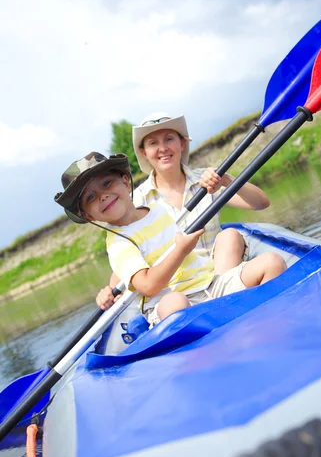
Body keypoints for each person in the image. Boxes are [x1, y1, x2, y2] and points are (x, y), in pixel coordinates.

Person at [54, 152, 286, 326]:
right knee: (175, 302)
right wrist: (180, 251)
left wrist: (221, 181)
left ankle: (263, 320)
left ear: (125, 182)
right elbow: (147, 285)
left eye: (107, 184)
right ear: (87, 215)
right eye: (91, 197)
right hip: (170, 303)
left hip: (210, 286)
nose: (103, 196)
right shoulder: (118, 243)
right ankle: (207, 342)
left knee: (272, 262)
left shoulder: (157, 209)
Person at [97, 112, 272, 310]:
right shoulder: (135, 202)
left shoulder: (207, 180)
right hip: (174, 290)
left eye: (169, 139)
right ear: (144, 152)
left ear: (182, 143)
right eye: (153, 143)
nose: (163, 148)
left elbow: (261, 203)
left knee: (230, 236)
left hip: (219, 273)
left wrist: (226, 180)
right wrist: (111, 289)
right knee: (174, 299)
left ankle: (224, 303)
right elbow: (127, 256)